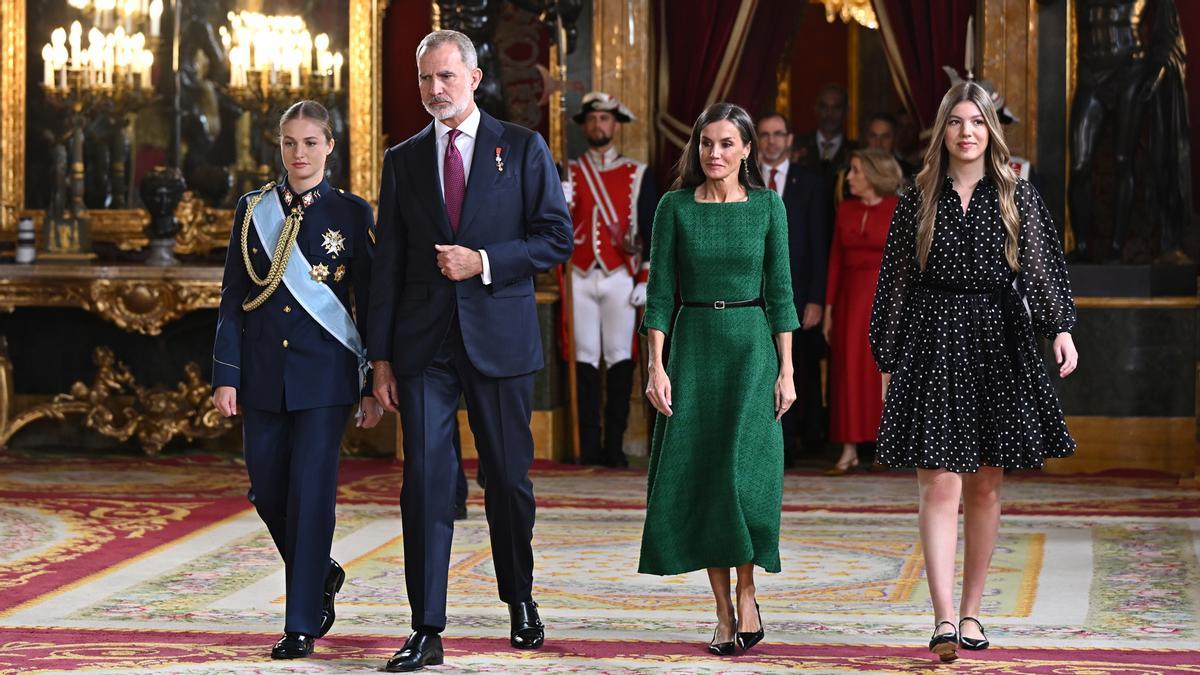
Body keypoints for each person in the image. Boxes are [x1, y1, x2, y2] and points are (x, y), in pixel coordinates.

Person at [367, 29, 573, 673]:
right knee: (425, 485)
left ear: (474, 78)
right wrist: (379, 361)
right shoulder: (402, 160)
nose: (435, 89)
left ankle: (520, 599)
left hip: (500, 342)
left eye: (446, 77)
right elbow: (388, 269)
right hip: (423, 350)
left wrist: (483, 261)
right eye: (425, 78)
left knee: (506, 481)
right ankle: (426, 627)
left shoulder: (522, 146)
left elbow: (555, 238)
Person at [870, 81, 1078, 662]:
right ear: (943, 132)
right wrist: (887, 356)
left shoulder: (1018, 195)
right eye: (957, 122)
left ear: (991, 130)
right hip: (933, 338)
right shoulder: (917, 197)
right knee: (938, 481)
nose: (967, 132)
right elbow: (895, 284)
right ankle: (940, 617)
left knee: (986, 482)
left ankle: (971, 611)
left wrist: (1060, 327)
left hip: (999, 339)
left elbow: (1040, 267)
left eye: (978, 122)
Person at [211, 99, 383, 659]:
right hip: (262, 375)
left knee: (311, 497)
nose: (299, 154)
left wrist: (371, 378)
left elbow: (369, 301)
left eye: (310, 143)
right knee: (266, 490)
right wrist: (226, 374)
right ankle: (321, 571)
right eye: (290, 143)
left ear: (330, 146)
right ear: (279, 146)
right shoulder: (252, 208)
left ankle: (300, 623)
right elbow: (233, 298)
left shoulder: (352, 214)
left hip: (325, 377)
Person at [640, 102, 798, 656]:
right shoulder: (674, 207)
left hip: (752, 350)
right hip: (694, 349)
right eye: (707, 143)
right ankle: (724, 613)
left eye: (727, 143)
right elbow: (660, 295)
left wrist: (788, 370)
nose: (715, 153)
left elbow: (781, 293)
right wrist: (656, 367)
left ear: (748, 149)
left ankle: (749, 591)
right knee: (709, 477)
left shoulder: (768, 208)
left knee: (745, 475)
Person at [567, 91, 657, 467]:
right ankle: (588, 447)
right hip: (580, 273)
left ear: (615, 125)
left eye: (604, 119)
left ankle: (614, 448)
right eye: (592, 120)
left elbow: (653, 229)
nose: (598, 125)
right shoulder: (568, 172)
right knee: (585, 361)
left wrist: (646, 277)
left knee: (620, 360)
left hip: (622, 275)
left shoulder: (638, 174)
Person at [822, 149, 902, 475]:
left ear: (872, 173)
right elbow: (835, 261)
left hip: (885, 299)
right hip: (849, 302)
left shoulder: (898, 208)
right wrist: (828, 309)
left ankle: (885, 446)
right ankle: (849, 449)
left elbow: (905, 265)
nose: (850, 177)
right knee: (847, 372)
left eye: (855, 171)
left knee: (879, 374)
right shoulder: (845, 209)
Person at [756, 111, 829, 466]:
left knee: (795, 368)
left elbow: (820, 244)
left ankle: (792, 443)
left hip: (798, 293)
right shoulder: (746, 180)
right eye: (765, 134)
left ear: (789, 139)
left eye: (778, 134)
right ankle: (765, 445)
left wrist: (817, 297)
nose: (772, 141)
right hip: (751, 295)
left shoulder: (810, 183)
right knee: (761, 369)